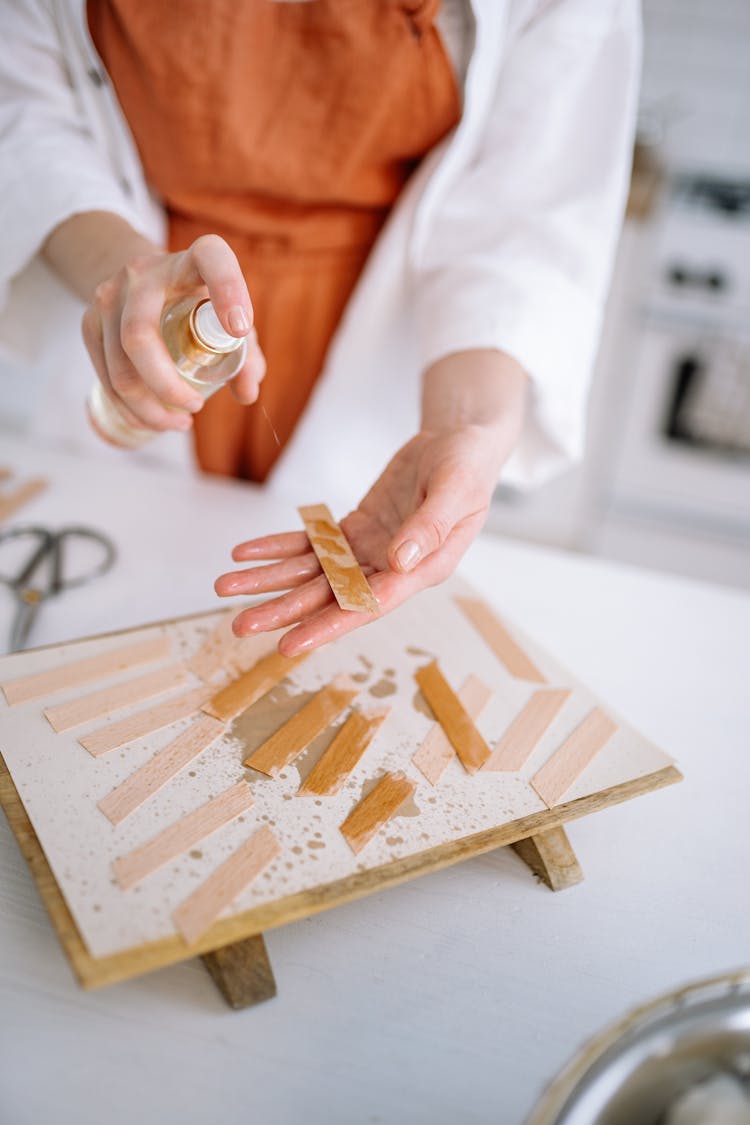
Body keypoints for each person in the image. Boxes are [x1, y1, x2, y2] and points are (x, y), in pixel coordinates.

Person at [0, 0, 640, 655]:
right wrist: (124, 266)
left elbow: (525, 211)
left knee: (328, 658)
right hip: (155, 304)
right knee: (96, 625)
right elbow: (22, 109)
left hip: (377, 332)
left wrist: (468, 425)